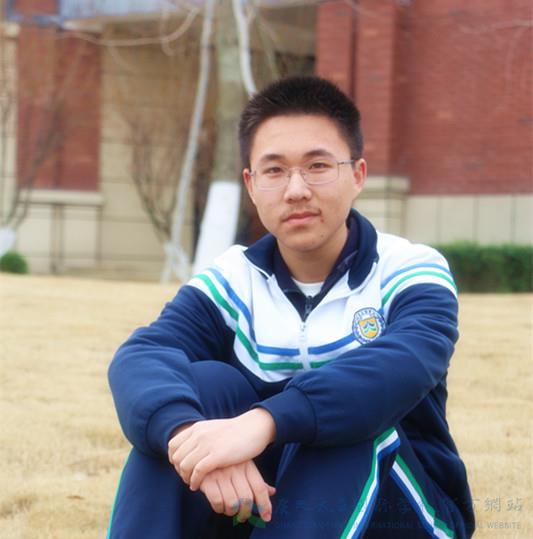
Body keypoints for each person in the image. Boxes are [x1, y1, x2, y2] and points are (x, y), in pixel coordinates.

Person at [106, 76, 475, 538]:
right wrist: (187, 437)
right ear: (251, 184)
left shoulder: (410, 268)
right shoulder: (234, 277)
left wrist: (265, 422)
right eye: (275, 170)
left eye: (317, 166)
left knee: (347, 418)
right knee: (201, 389)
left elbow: (403, 364)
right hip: (263, 508)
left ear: (357, 175)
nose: (296, 189)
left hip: (403, 515)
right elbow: (142, 355)